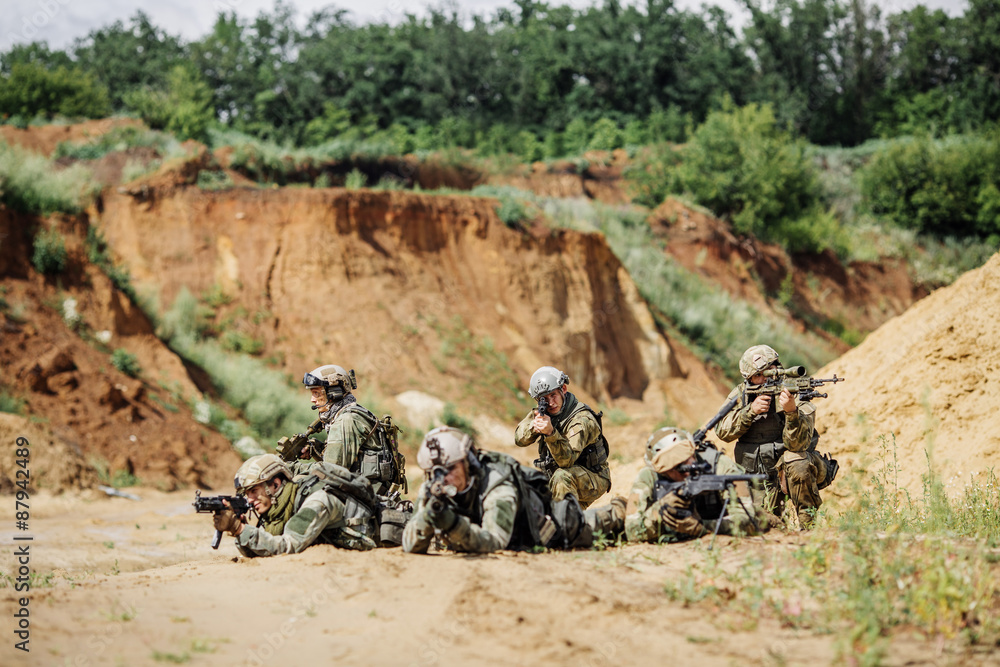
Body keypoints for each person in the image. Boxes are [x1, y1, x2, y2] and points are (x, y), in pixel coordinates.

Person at [403, 427, 625, 554]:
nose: (444, 477)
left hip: (540, 528)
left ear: (468, 461)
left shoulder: (497, 485)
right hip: (482, 530)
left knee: (580, 526)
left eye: (451, 468)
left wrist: (453, 525)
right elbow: (410, 544)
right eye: (434, 472)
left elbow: (495, 542)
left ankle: (617, 512)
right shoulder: (433, 488)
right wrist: (427, 517)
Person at [714, 345, 836, 529]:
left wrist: (791, 412)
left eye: (770, 372)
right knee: (764, 526)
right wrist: (750, 412)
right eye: (758, 376)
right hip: (757, 477)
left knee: (796, 460)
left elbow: (798, 444)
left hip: (790, 472)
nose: (765, 379)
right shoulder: (743, 394)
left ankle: (809, 528)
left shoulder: (794, 391)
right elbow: (722, 431)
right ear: (749, 379)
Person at [212, 454, 377, 557]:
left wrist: (238, 529)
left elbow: (287, 547)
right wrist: (241, 530)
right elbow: (263, 550)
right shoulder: (278, 510)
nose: (249, 499)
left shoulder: (316, 501)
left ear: (275, 485)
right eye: (246, 494)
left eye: (254, 490)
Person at [625, 427, 757, 542]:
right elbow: (632, 532)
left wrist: (703, 527)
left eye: (687, 460)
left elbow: (748, 520)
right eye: (676, 468)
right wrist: (659, 511)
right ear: (663, 471)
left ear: (693, 451)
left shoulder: (720, 466)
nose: (686, 471)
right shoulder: (649, 476)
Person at [513, 366, 611, 509]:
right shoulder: (545, 412)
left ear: (563, 389)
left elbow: (566, 461)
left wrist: (550, 434)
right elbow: (518, 439)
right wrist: (534, 427)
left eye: (553, 395)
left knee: (561, 478)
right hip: (564, 481)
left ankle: (565, 523)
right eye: (544, 399)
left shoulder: (582, 419)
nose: (551, 403)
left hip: (593, 478)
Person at [302, 365, 401, 497]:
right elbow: (350, 457)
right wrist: (315, 448)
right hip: (368, 491)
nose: (312, 399)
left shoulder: (346, 420)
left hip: (365, 498)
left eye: (316, 393)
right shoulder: (354, 412)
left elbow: (330, 472)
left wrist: (294, 468)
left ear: (333, 392)